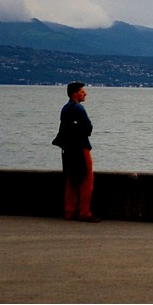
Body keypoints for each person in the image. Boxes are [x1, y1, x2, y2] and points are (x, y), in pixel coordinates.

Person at [56, 81, 100, 222]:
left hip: (68, 148)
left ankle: (69, 211)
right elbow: (88, 127)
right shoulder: (79, 108)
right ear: (75, 93)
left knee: (72, 179)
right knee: (87, 178)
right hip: (81, 147)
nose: (85, 93)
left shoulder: (65, 108)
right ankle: (84, 212)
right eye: (82, 91)